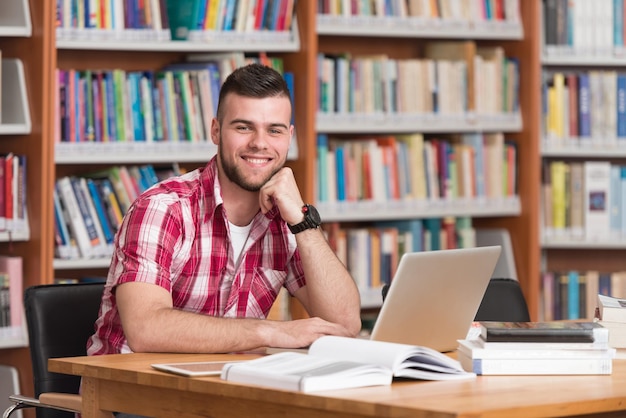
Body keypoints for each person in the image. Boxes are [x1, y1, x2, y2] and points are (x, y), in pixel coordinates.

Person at [86, 63, 362, 360]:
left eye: (274, 130)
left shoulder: (286, 221)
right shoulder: (163, 209)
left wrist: (303, 222)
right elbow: (145, 328)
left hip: (224, 389)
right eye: (243, 127)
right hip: (131, 396)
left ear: (289, 137)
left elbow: (344, 325)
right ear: (216, 131)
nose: (259, 143)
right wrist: (269, 332)